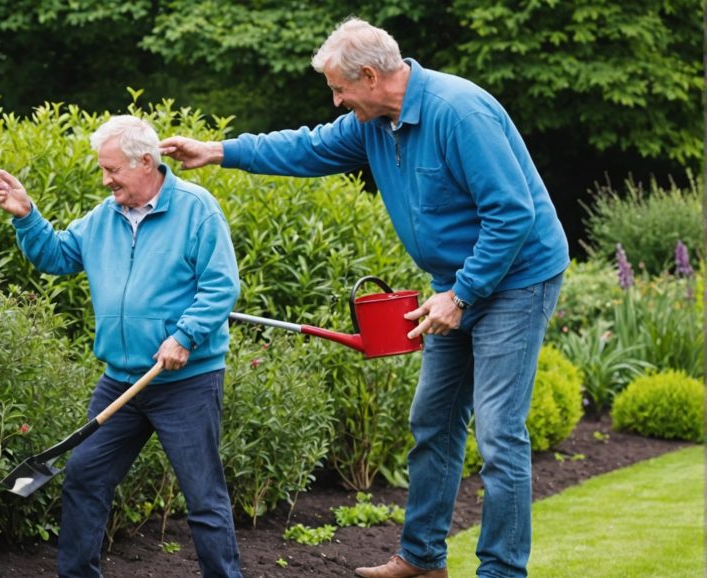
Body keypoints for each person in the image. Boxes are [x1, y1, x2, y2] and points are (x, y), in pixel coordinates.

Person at [160, 16, 568, 578]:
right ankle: (423, 559)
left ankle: (500, 571)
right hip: (457, 285)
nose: (335, 101)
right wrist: (218, 151)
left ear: (371, 76)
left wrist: (463, 296)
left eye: (339, 88)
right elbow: (305, 149)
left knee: (499, 434)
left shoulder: (458, 112)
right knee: (433, 422)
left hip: (517, 277)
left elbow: (512, 214)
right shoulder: (375, 123)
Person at [0, 115, 243, 578]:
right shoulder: (104, 217)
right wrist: (27, 216)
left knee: (203, 498)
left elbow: (221, 286)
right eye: (103, 170)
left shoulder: (196, 209)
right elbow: (59, 255)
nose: (106, 180)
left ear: (146, 162)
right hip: (121, 382)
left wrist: (184, 336)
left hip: (185, 383)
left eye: (113, 171)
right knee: (85, 479)